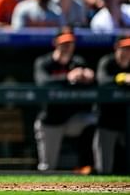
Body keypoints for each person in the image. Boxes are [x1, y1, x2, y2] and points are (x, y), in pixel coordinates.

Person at [33, 28, 97, 173]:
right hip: (50, 121)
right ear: (55, 43)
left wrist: (89, 77)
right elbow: (43, 83)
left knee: (92, 121)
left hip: (73, 120)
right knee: (48, 168)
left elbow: (95, 82)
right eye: (64, 43)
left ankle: (85, 165)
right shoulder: (44, 62)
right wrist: (67, 77)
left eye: (70, 43)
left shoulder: (78, 62)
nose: (67, 47)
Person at [93, 35, 130, 174]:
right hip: (107, 120)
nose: (127, 52)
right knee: (104, 169)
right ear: (117, 48)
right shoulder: (107, 62)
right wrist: (122, 78)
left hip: (127, 121)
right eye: (124, 48)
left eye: (129, 49)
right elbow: (102, 80)